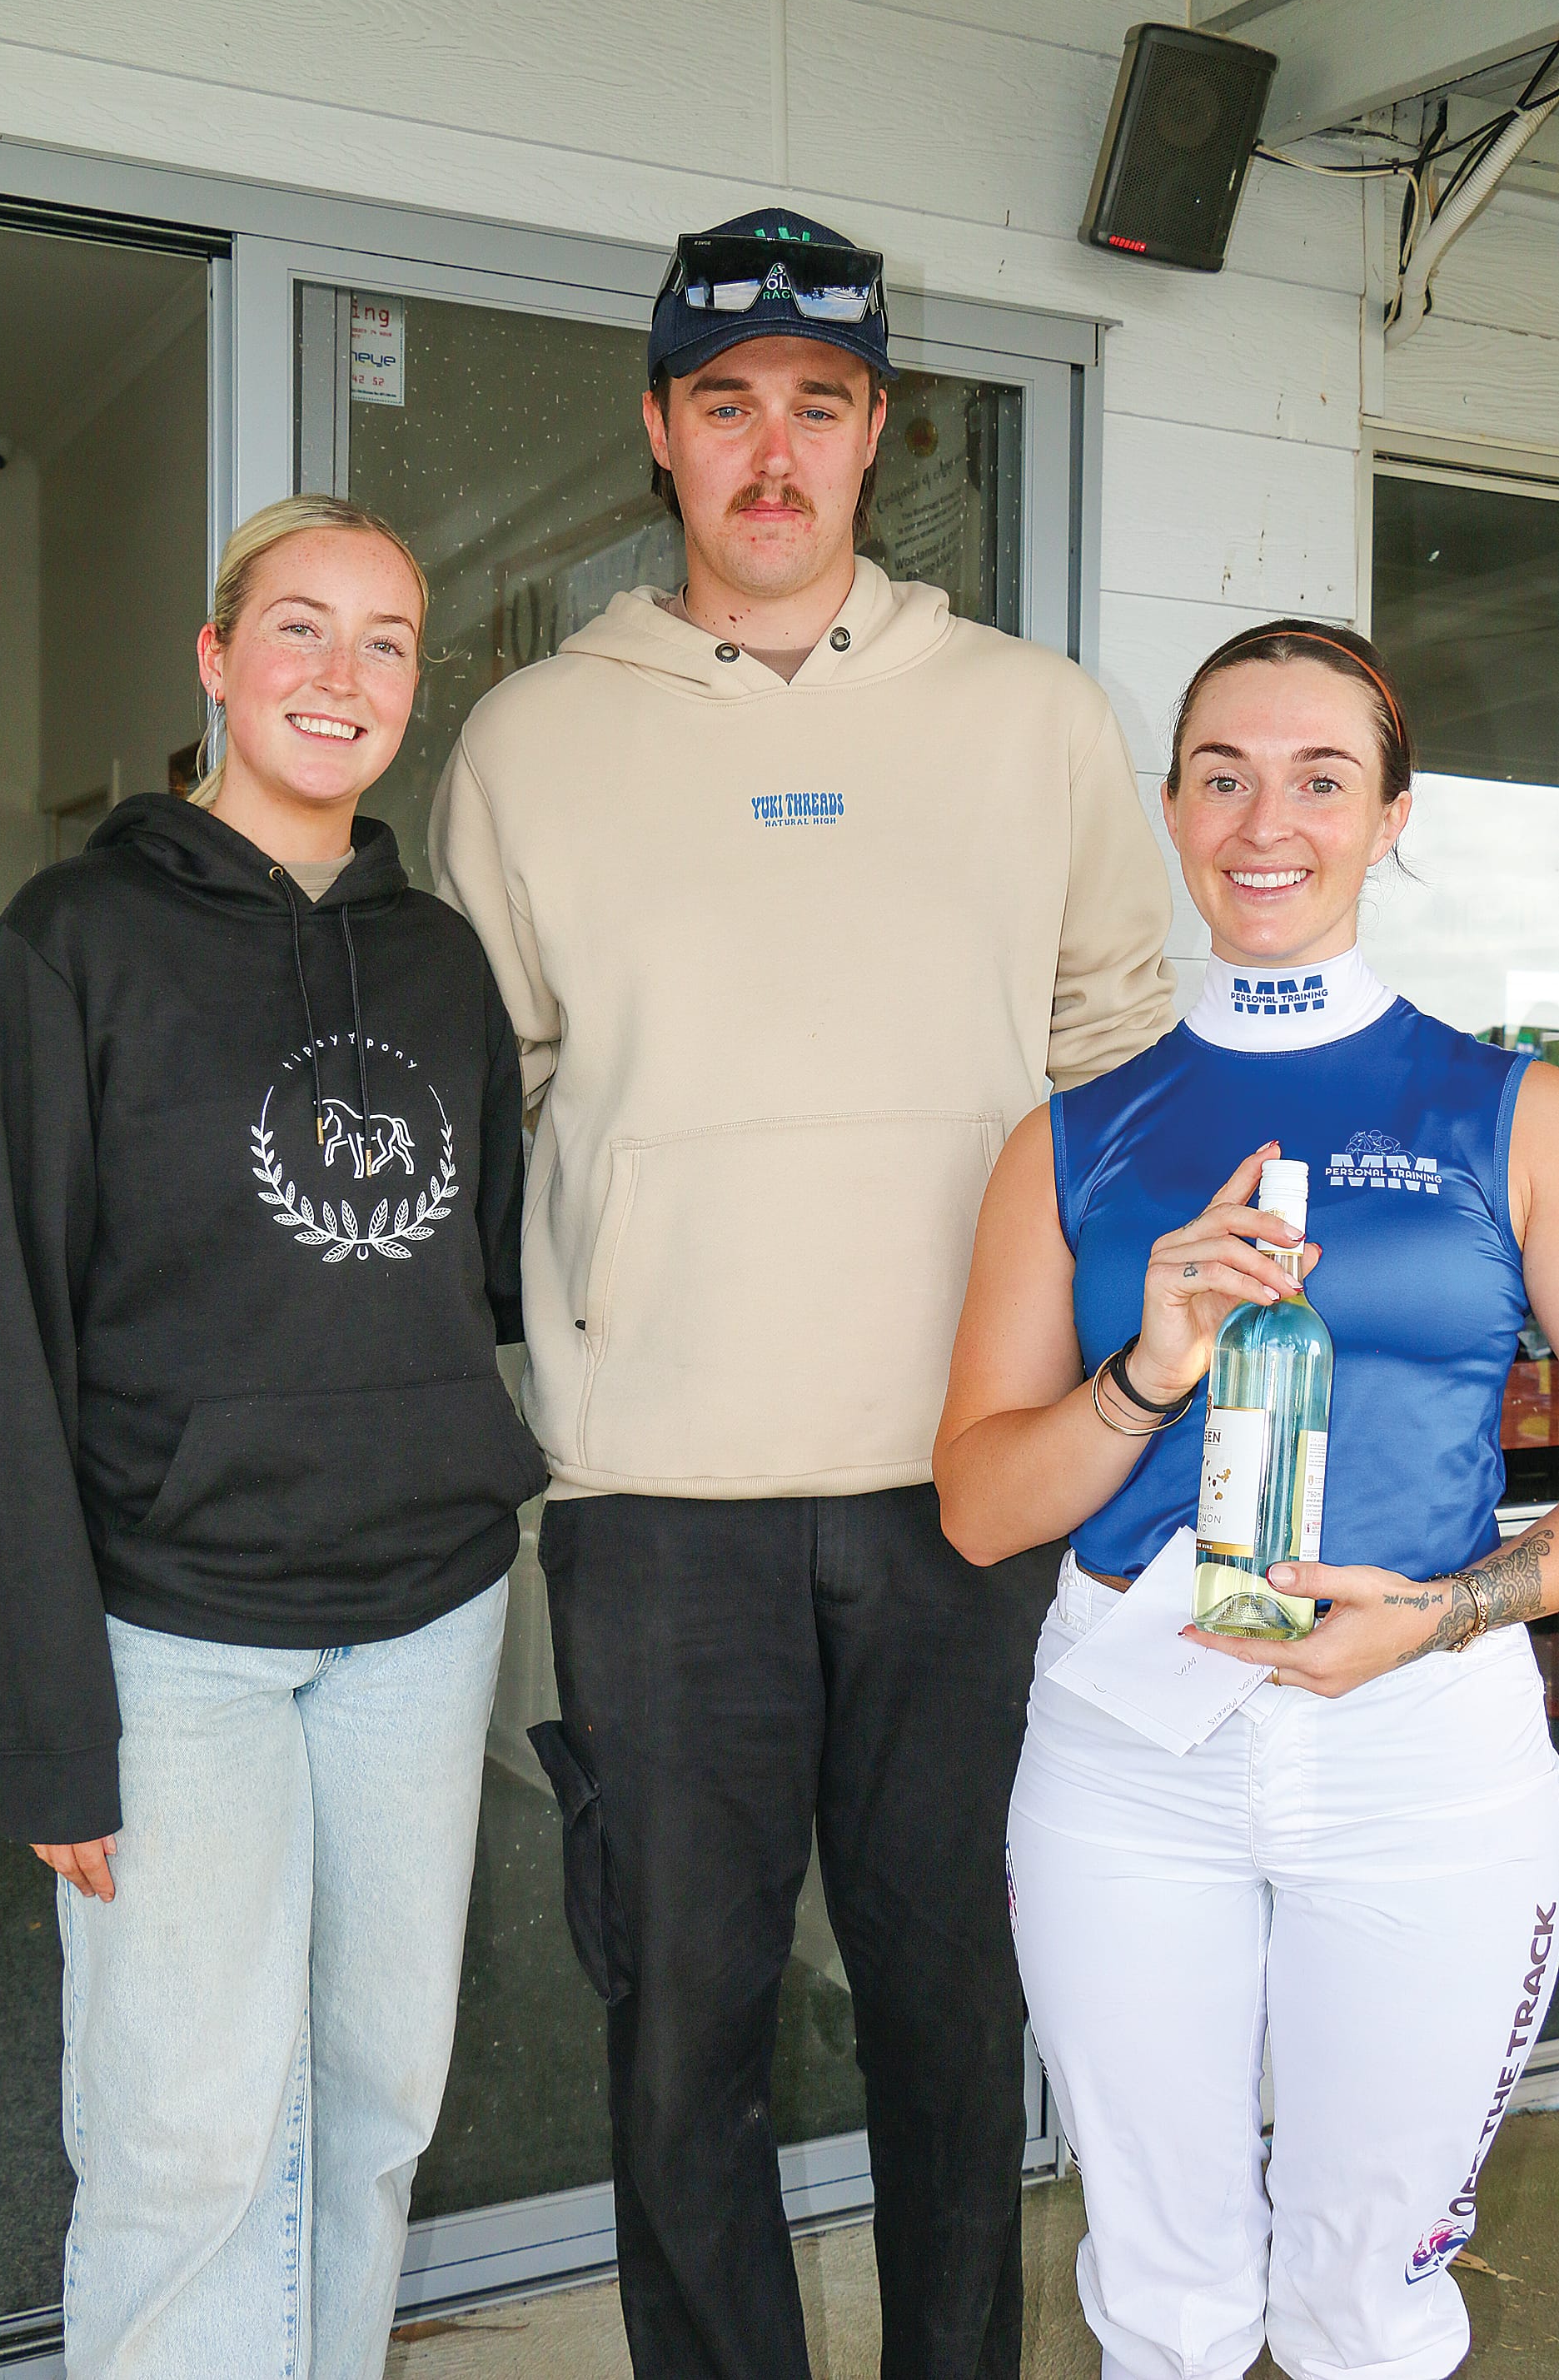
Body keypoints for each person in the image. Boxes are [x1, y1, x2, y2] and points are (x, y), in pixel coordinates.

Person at [431, 207, 1173, 2380]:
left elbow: (1118, 1060)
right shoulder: (530, 739)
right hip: (660, 1496)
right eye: (729, 403)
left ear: (878, 433)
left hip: (965, 1484)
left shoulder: (1035, 719)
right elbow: (494, 1096)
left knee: (950, 2014)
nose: (774, 450)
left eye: (820, 406)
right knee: (685, 2036)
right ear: (662, 430)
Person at [934, 618, 1559, 2380]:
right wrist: (1147, 1367)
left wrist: (1447, 1612)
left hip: (1420, 1740)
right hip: (1132, 1741)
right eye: (1222, 776)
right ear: (1170, 808)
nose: (1264, 822)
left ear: (1392, 818)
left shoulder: (1508, 1112)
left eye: (1318, 778)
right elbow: (978, 1506)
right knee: (1164, 2296)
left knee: (1367, 2303)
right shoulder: (1073, 1136)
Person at [0, 494, 545, 2380]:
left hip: (425, 1616)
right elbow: (1, 1341)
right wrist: (49, 1725)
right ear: (216, 659)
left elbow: (479, 1278)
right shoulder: (70, 943)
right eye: (300, 626)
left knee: (374, 2110)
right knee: (185, 2139)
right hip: (177, 1631)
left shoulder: (441, 963)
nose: (341, 673)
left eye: (386, 641)